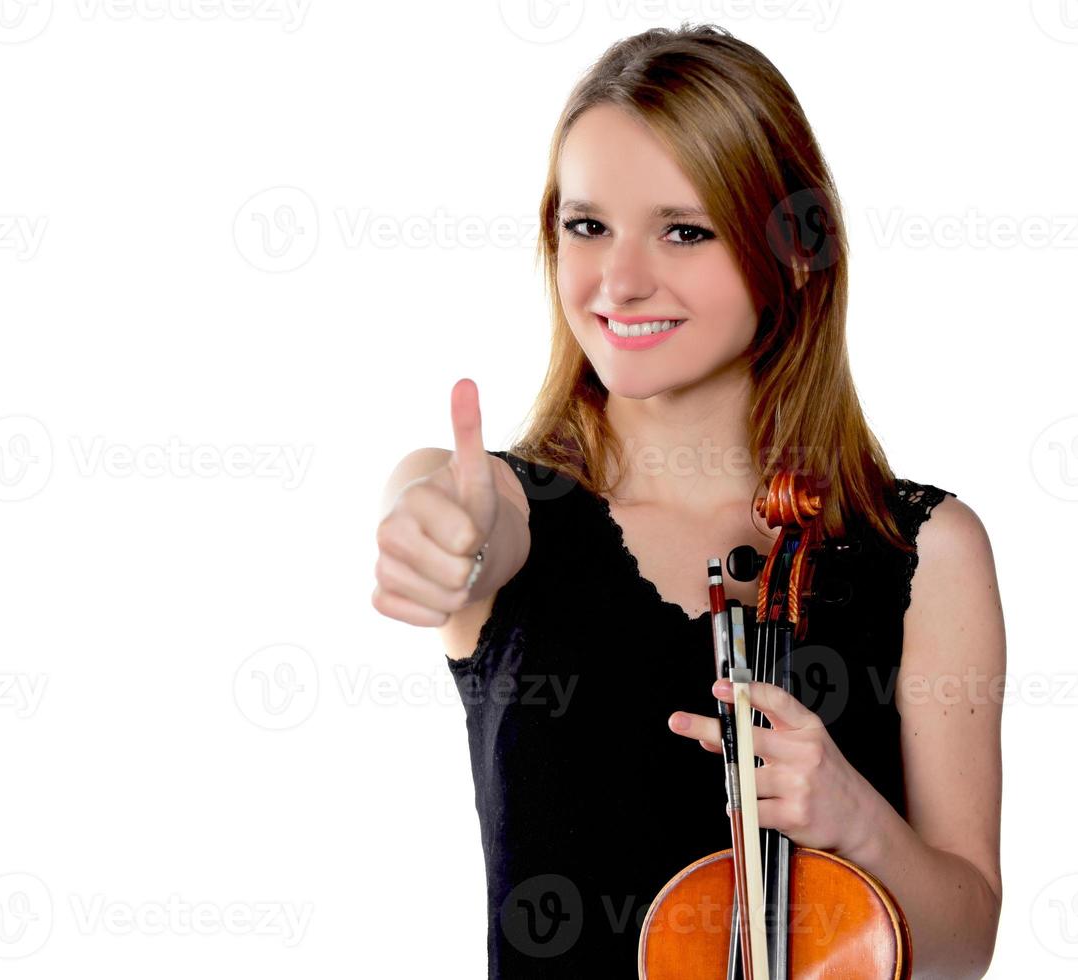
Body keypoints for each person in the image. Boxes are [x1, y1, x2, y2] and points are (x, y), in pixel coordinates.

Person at [371, 23, 1004, 978]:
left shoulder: (929, 550)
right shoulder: (500, 503)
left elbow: (966, 948)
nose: (619, 280)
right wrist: (438, 537)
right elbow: (458, 524)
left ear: (792, 252)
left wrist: (858, 823)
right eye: (587, 226)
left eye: (684, 229)